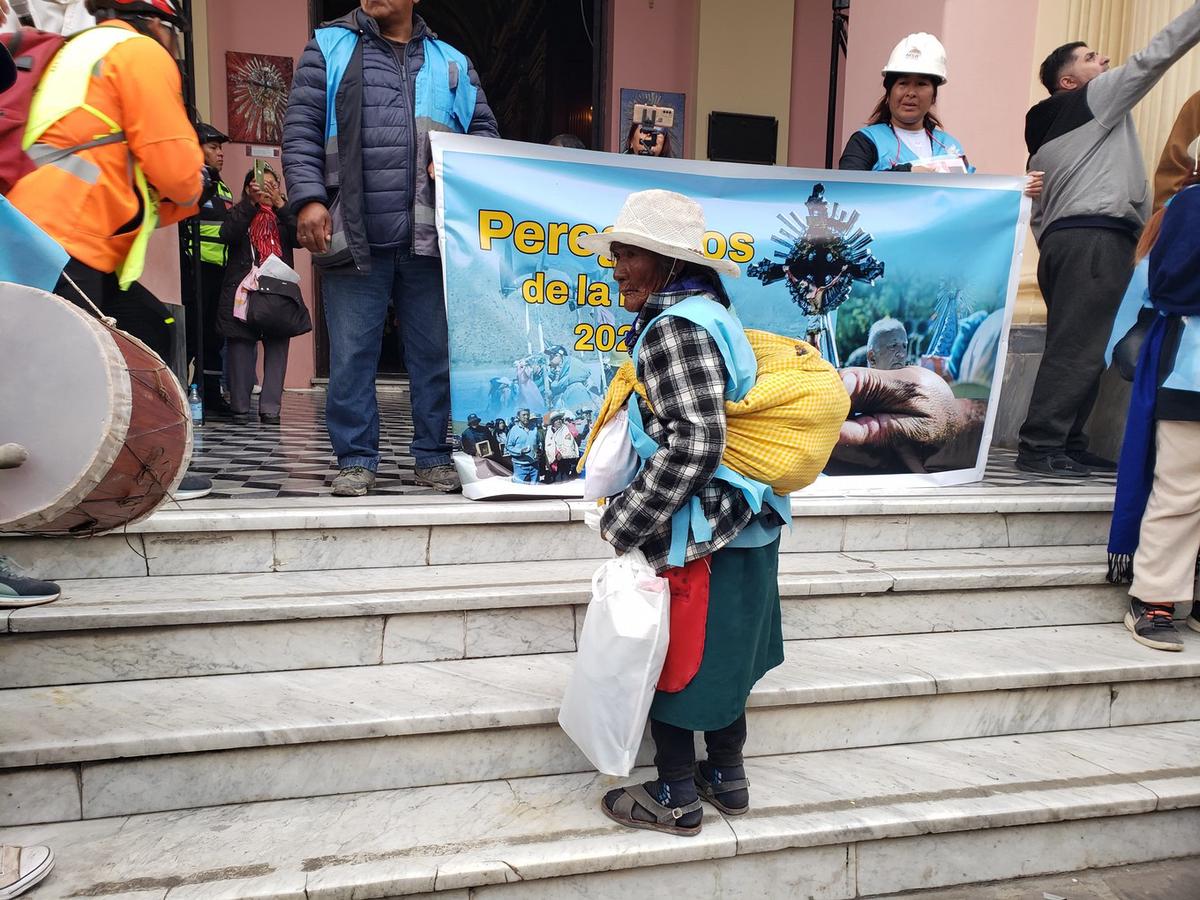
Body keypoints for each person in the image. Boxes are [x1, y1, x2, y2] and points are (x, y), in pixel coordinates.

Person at [577, 189, 784, 837]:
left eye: (631, 254)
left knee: (671, 659)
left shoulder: (674, 329)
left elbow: (694, 440)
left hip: (699, 532)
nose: (617, 266)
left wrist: (626, 520)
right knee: (725, 657)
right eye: (617, 252)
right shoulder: (712, 314)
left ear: (667, 264)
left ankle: (674, 794)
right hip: (744, 522)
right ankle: (726, 777)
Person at [283, 0, 499, 497]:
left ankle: (433, 456)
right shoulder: (329, 47)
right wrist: (310, 199)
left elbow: (486, 134)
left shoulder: (453, 63)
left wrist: (458, 163)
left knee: (434, 355)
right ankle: (356, 458)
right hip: (355, 228)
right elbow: (300, 132)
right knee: (352, 354)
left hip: (432, 237)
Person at [5, 0, 212, 500]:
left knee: (143, 329)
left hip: (41, 226)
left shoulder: (79, 49)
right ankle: (86, 483)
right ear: (158, 23)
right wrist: (194, 189)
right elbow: (174, 163)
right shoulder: (138, 50)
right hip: (73, 232)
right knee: (87, 368)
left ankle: (144, 471)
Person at [1017, 4, 1200, 479]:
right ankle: (1040, 446)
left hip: (1068, 241)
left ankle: (1069, 442)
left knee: (1084, 343)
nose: (1105, 61)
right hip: (1095, 239)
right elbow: (1152, 59)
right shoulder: (1093, 102)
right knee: (1078, 348)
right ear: (1070, 83)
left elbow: (1040, 212)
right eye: (1091, 57)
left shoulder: (1051, 134)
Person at [1107, 180, 1200, 652]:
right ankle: (1155, 598)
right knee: (1181, 489)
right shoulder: (1191, 204)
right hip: (1192, 372)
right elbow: (1168, 284)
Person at [839, 33, 1043, 197]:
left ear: (933, 95)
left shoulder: (949, 145)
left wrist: (1017, 188)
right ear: (889, 91)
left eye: (921, 84)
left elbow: (974, 196)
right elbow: (845, 191)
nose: (911, 92)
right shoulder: (867, 141)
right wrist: (906, 174)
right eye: (902, 83)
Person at [217, 165, 299, 425]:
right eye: (259, 183)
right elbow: (227, 234)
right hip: (243, 287)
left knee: (277, 345)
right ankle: (240, 407)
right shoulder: (240, 211)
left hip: (277, 287)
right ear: (247, 188)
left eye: (271, 184)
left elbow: (300, 237)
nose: (265, 188)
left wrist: (281, 206)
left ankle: (271, 409)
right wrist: (251, 204)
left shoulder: (284, 216)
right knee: (240, 343)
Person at [185, 121, 234, 413]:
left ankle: (212, 396)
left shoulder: (223, 187)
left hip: (220, 271)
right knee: (193, 336)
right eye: (213, 147)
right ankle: (185, 392)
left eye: (220, 148)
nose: (220, 153)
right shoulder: (192, 182)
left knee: (215, 338)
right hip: (195, 268)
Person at [505, 408, 539, 484]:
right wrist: (520, 451)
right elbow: (508, 447)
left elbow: (538, 443)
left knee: (536, 490)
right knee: (520, 490)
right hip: (520, 466)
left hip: (534, 465)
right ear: (518, 417)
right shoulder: (514, 430)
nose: (526, 417)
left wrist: (539, 450)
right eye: (523, 415)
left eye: (527, 415)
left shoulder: (534, 429)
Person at [543, 411, 578, 483]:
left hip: (565, 459)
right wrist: (555, 454)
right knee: (556, 478)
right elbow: (548, 445)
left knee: (565, 478)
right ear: (553, 422)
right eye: (556, 419)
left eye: (559, 419)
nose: (558, 421)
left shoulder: (565, 429)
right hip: (554, 460)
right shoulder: (549, 432)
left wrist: (561, 453)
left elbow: (569, 442)